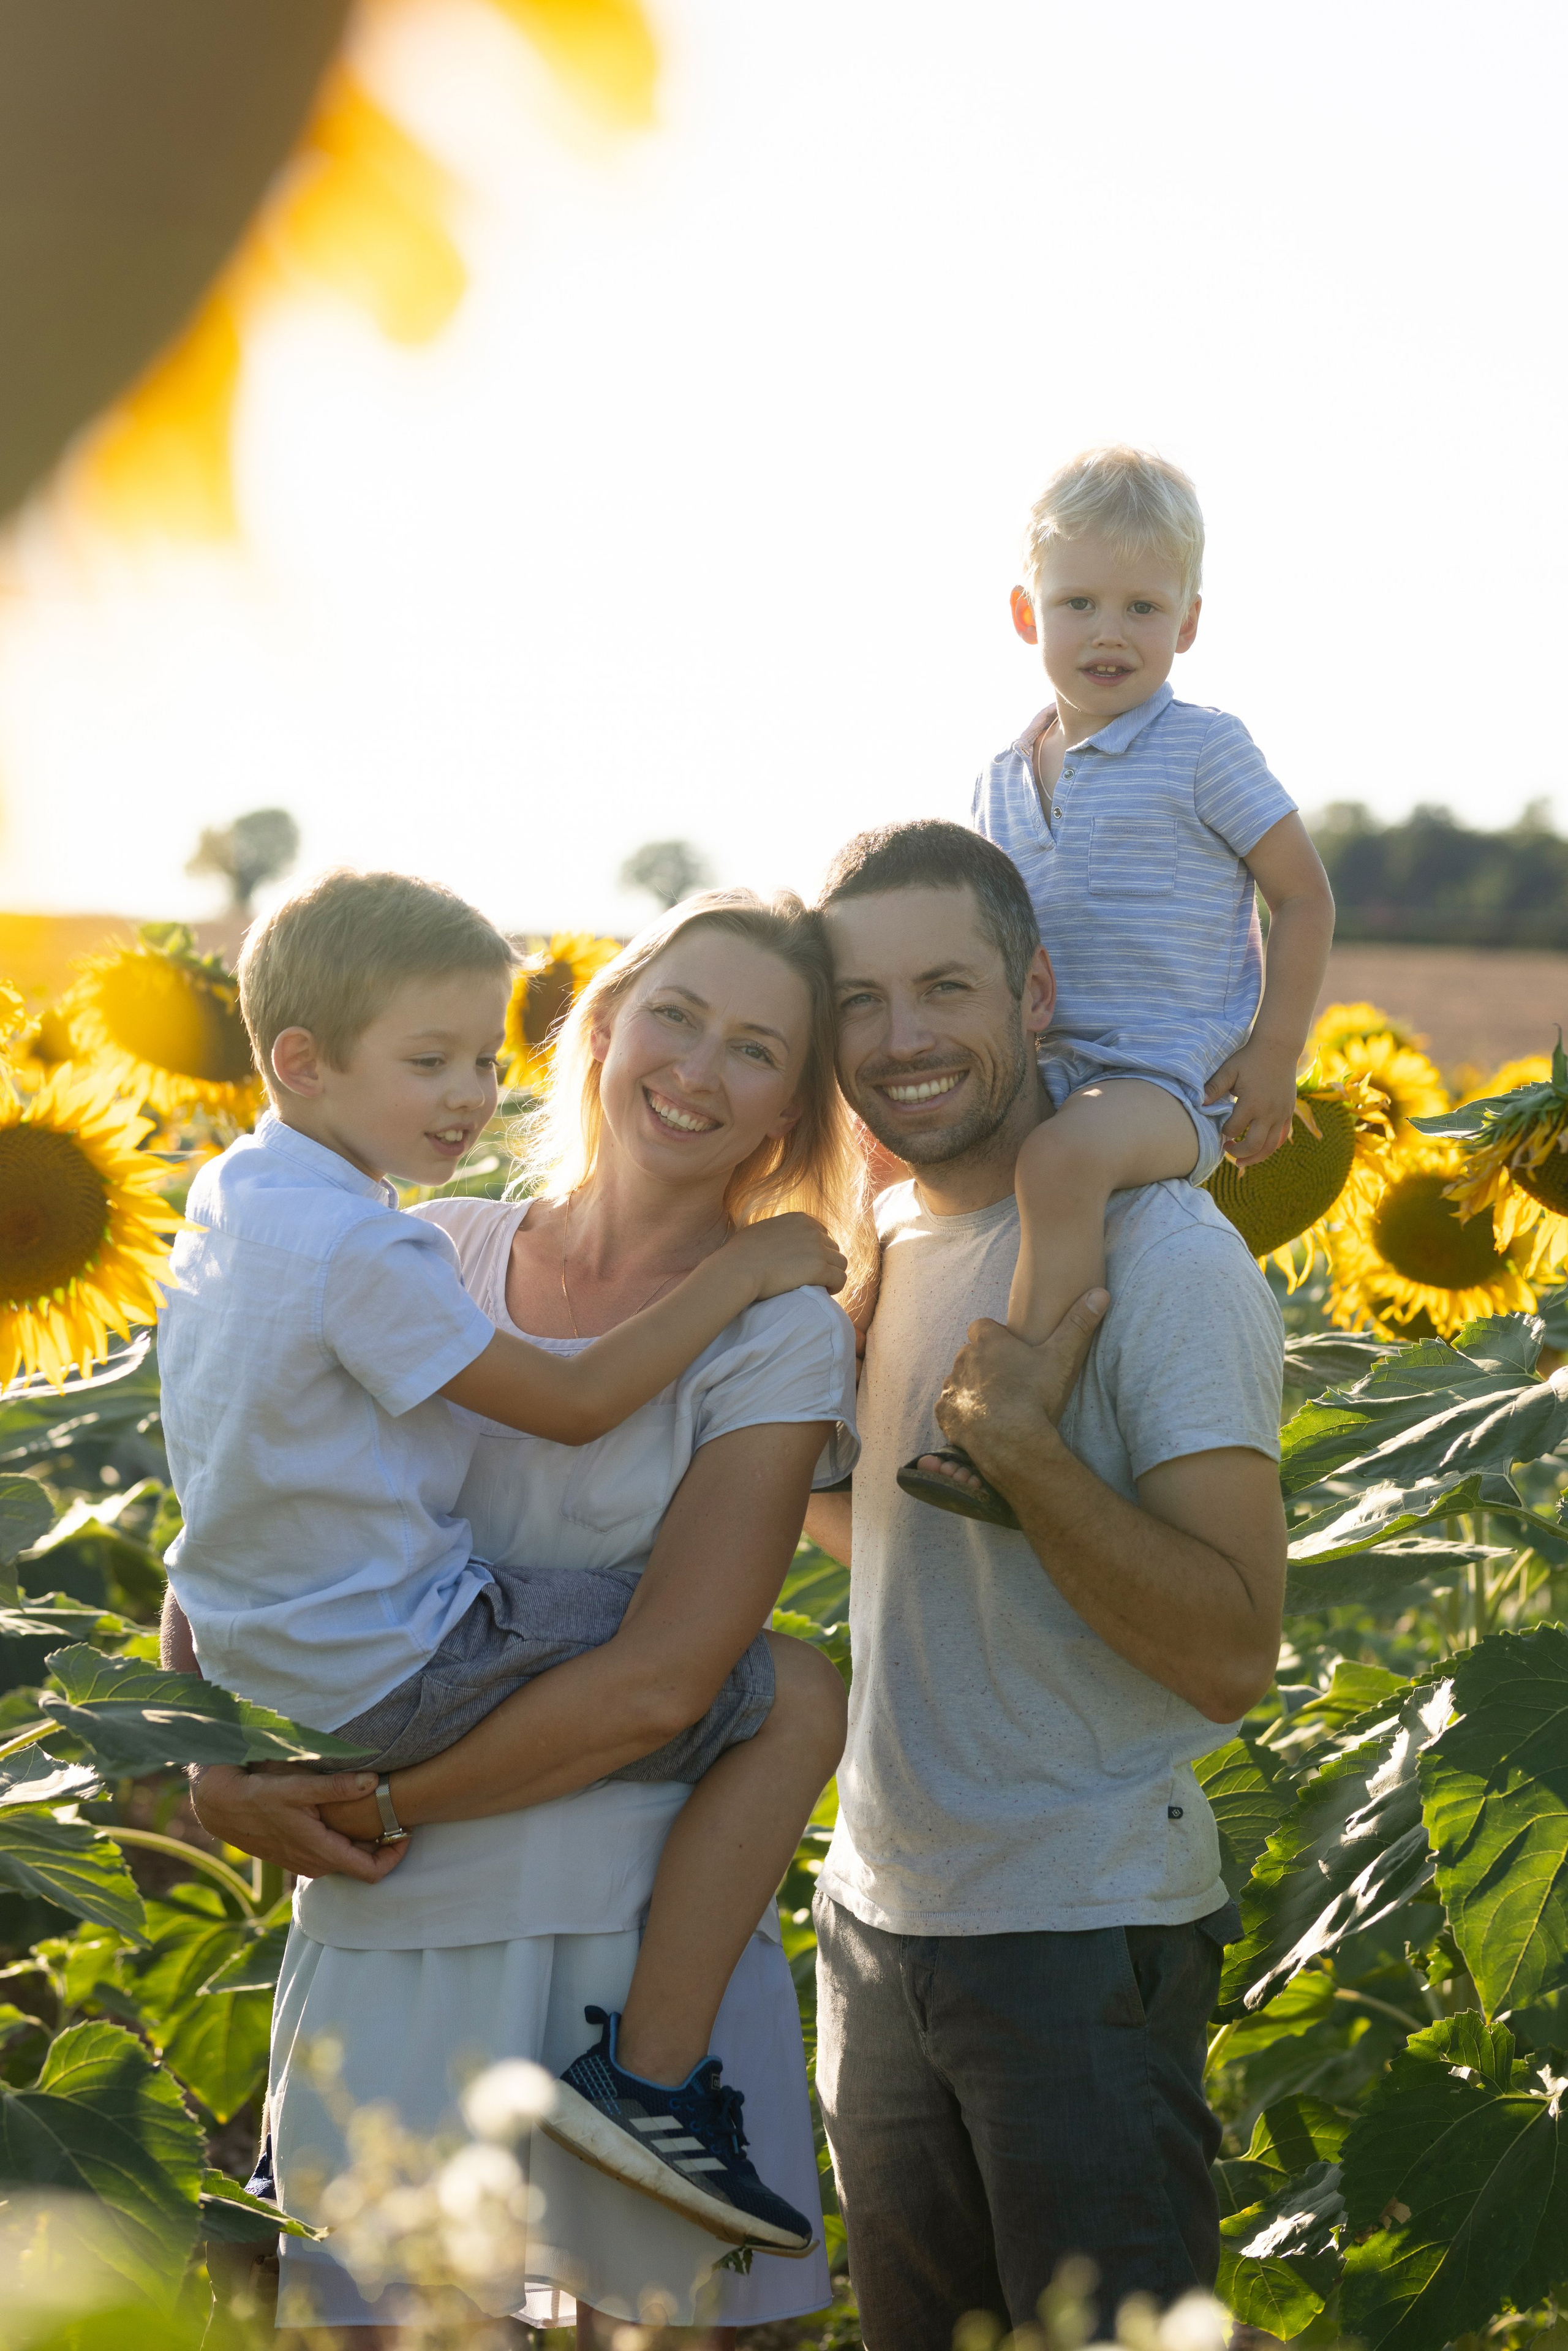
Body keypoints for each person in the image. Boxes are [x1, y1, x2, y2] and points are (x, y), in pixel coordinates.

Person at [177, 888, 869, 2341]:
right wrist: (213, 1768)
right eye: (674, 1015)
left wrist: (361, 1795)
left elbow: (660, 1683)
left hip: (627, 1957)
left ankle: (658, 2082)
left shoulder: (776, 1324)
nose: (696, 1065)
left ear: (789, 1110)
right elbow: (248, 1499)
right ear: (604, 1024)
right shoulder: (419, 1246)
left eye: (755, 1049)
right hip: (390, 1945)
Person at [806, 820, 1287, 2345]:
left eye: (943, 986)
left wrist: (1026, 1454)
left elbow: (1227, 1648)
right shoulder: (883, 1239)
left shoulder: (1157, 1254)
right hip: (874, 1919)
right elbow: (894, 1541)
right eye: (859, 1001)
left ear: (1033, 994)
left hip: (1077, 1929)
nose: (900, 1038)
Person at [900, 445, 1333, 1527]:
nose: (1108, 632)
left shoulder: (1203, 749)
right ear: (1023, 612)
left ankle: (1018, 1418)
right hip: (1038, 1066)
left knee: (1063, 1160)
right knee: (900, 1169)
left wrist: (1275, 1052)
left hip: (1162, 1079)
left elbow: (1306, 895)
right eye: (1078, 601)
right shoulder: (1000, 774)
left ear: (1188, 623)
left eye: (1143, 606)